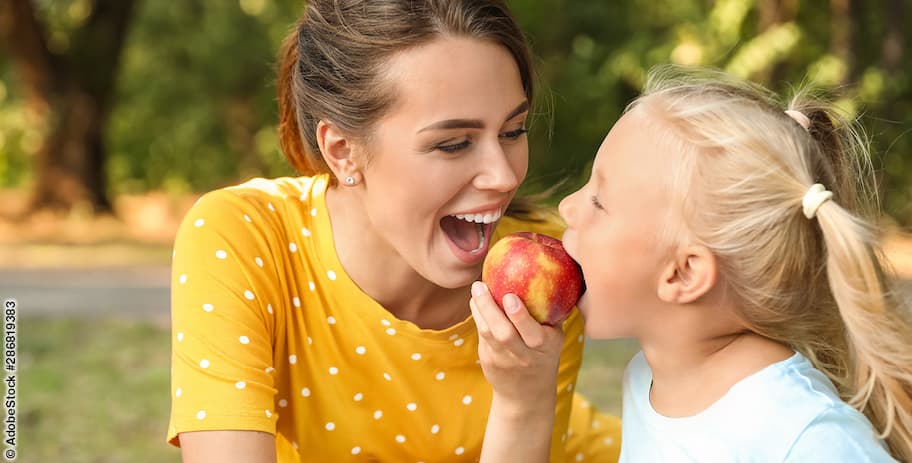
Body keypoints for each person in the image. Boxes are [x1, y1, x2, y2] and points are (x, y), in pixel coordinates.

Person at [166, 1, 622, 461]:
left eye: (512, 131)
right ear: (343, 151)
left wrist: (523, 401)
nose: (503, 176)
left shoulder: (553, 268)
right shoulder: (245, 238)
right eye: (453, 143)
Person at [471, 65, 912, 462]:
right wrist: (520, 397)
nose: (567, 207)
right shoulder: (650, 380)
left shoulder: (806, 439)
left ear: (683, 273)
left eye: (599, 201)